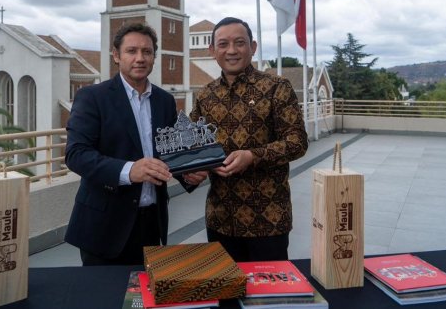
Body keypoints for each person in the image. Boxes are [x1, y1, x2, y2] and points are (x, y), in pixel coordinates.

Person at [64, 22, 206, 266]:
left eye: (147, 52)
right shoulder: (92, 97)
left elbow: (170, 151)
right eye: (131, 51)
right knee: (106, 291)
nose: (140, 58)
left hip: (151, 224)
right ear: (116, 55)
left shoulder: (165, 101)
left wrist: (188, 173)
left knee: (147, 290)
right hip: (104, 226)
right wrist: (130, 171)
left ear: (154, 57)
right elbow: (76, 154)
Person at [190, 17, 308, 262]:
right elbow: (192, 144)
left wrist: (253, 156)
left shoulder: (277, 87)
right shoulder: (205, 95)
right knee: (224, 285)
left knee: (269, 286)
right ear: (212, 51)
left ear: (253, 47)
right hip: (220, 220)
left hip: (268, 221)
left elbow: (297, 142)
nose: (231, 50)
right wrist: (194, 167)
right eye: (223, 44)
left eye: (239, 43)